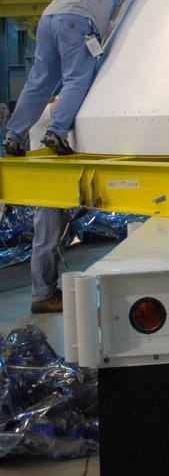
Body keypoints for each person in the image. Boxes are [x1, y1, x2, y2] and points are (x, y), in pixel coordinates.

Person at [3, 0, 168, 157]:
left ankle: (13, 137)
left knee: (39, 82)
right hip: (76, 19)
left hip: (49, 19)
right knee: (77, 77)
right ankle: (57, 132)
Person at [28, 101, 69, 315]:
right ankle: (41, 296)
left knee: (52, 240)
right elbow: (63, 103)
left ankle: (49, 290)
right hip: (45, 182)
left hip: (53, 181)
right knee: (46, 240)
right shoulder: (43, 110)